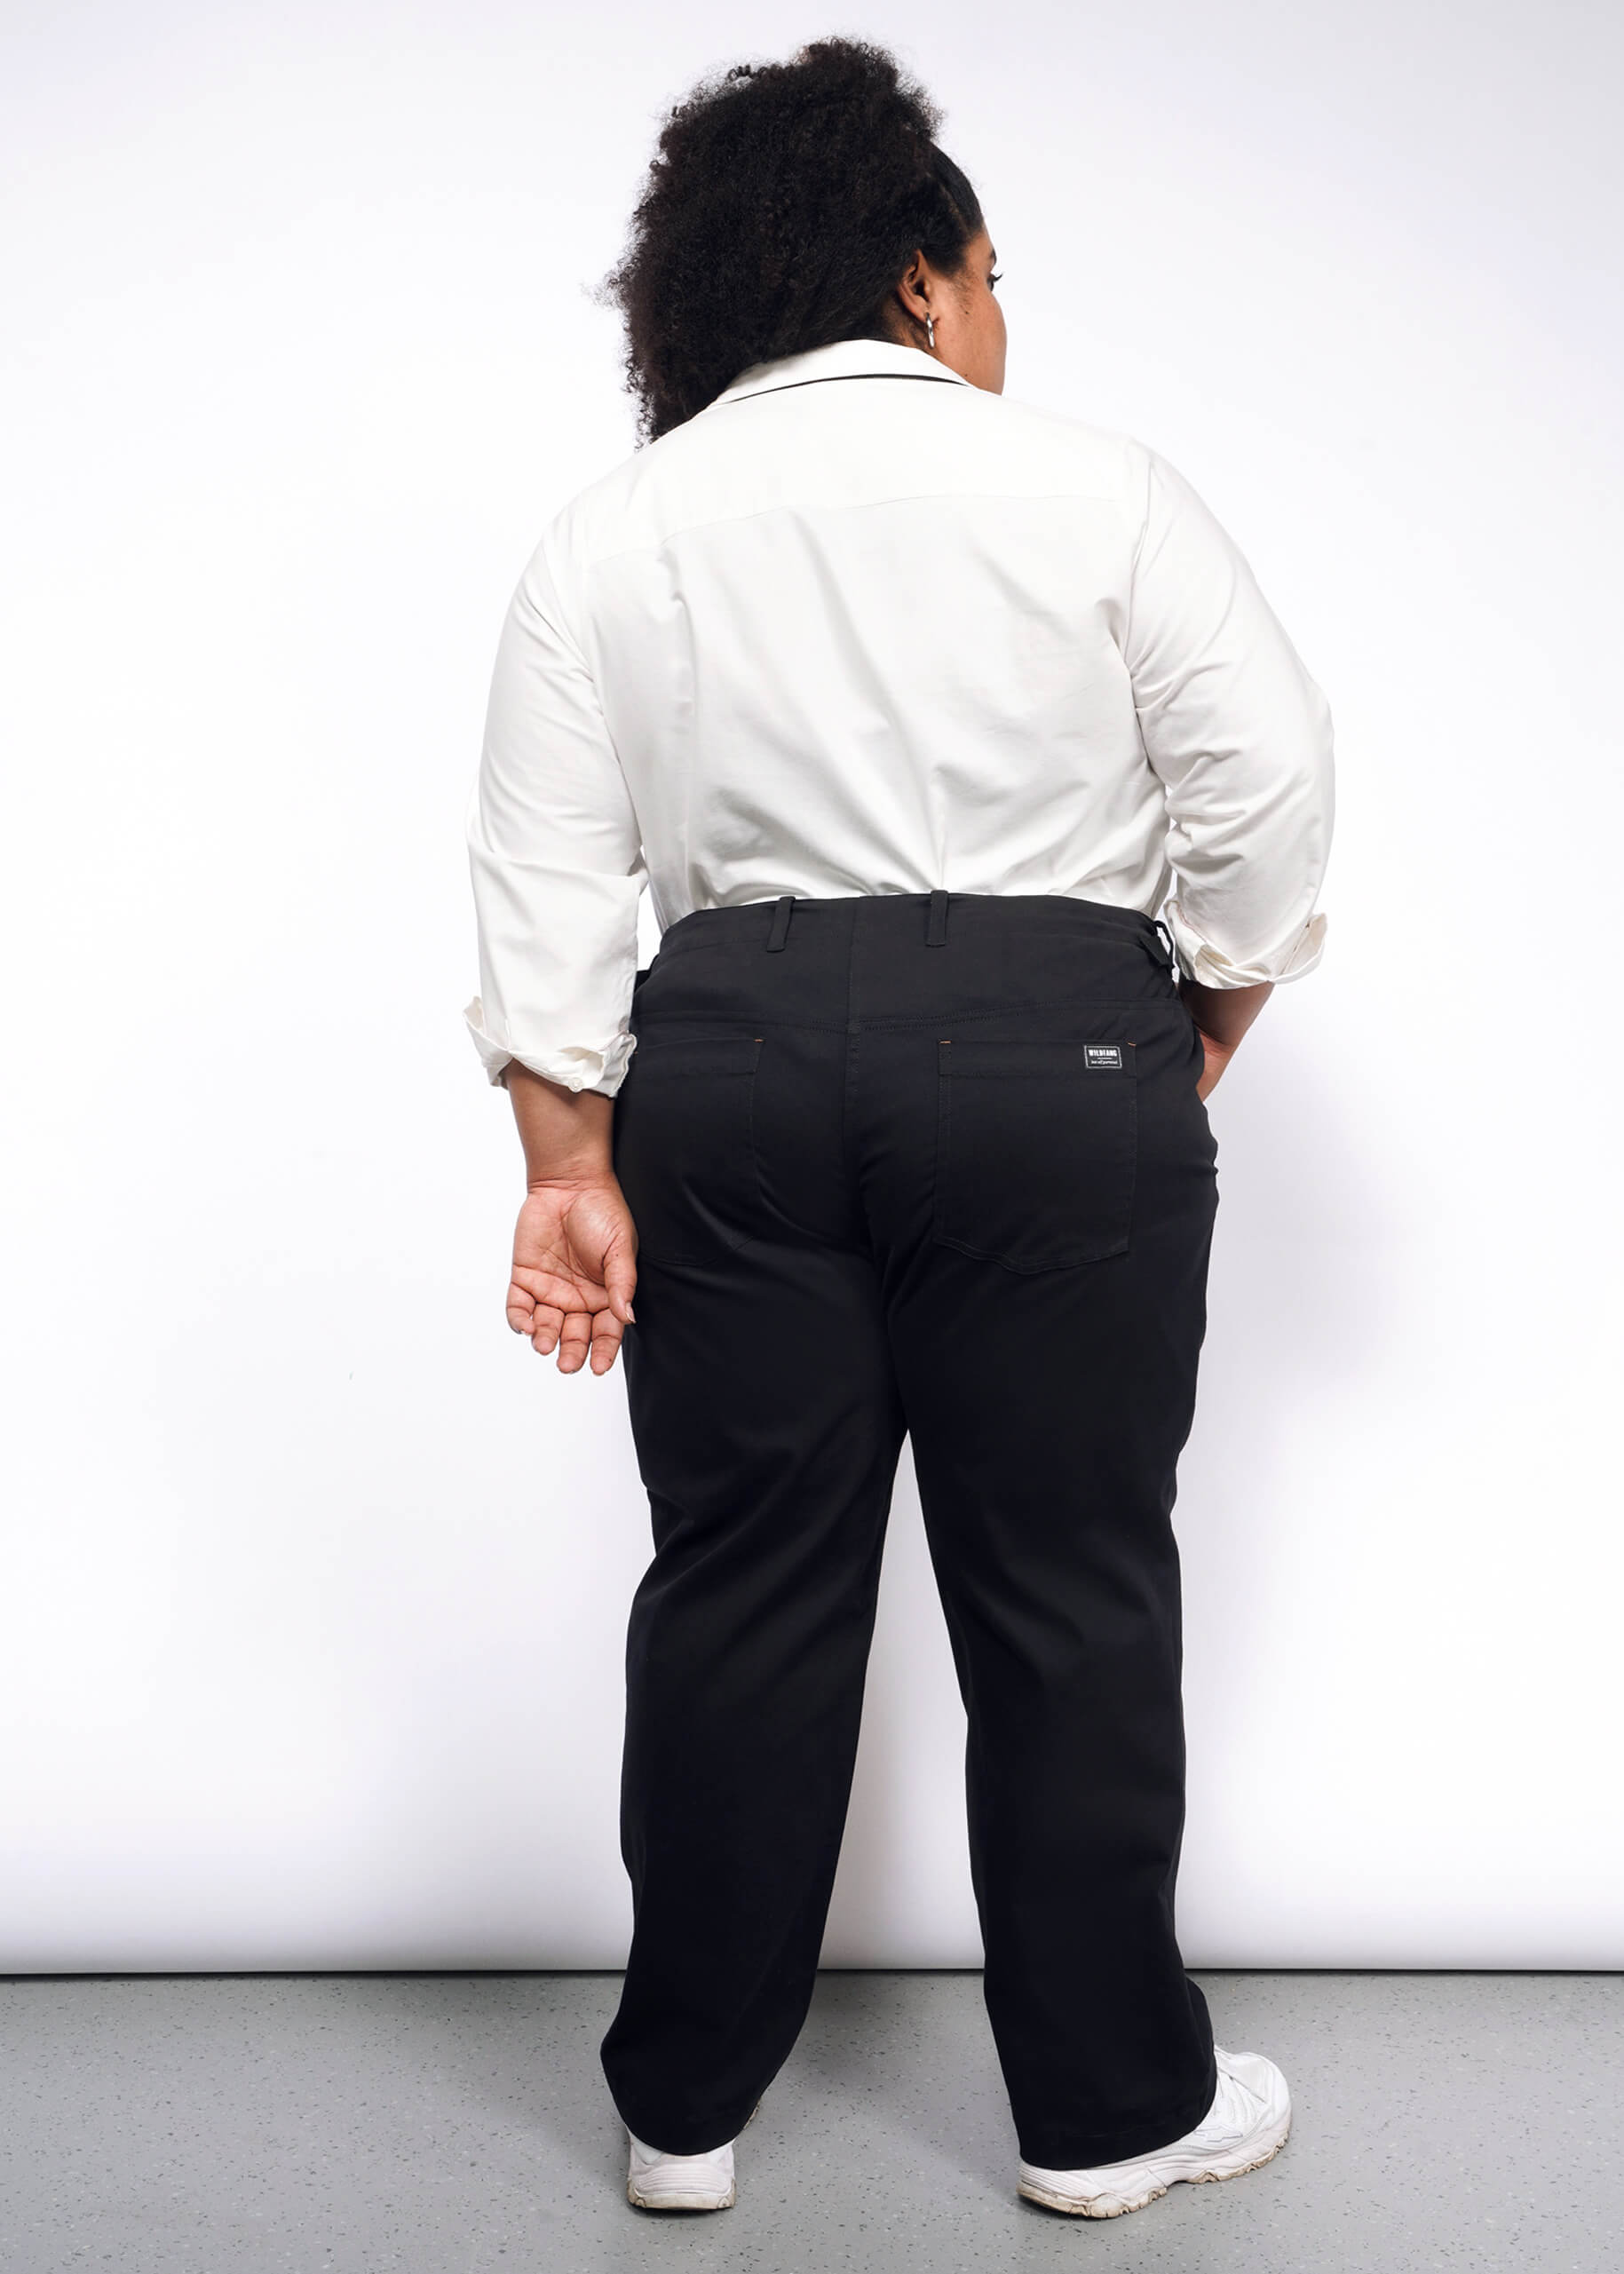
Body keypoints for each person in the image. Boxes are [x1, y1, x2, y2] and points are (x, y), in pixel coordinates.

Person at [462, 36, 1332, 2221]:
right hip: (1059, 1053)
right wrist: (1197, 1003)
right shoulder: (1095, 488)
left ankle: (681, 2109)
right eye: (992, 272)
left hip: (730, 1066)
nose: (999, 317)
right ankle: (1108, 2120)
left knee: (741, 1584)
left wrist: (568, 1168)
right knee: (1068, 1592)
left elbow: (548, 881)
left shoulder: (613, 536)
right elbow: (1270, 793)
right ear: (927, 282)